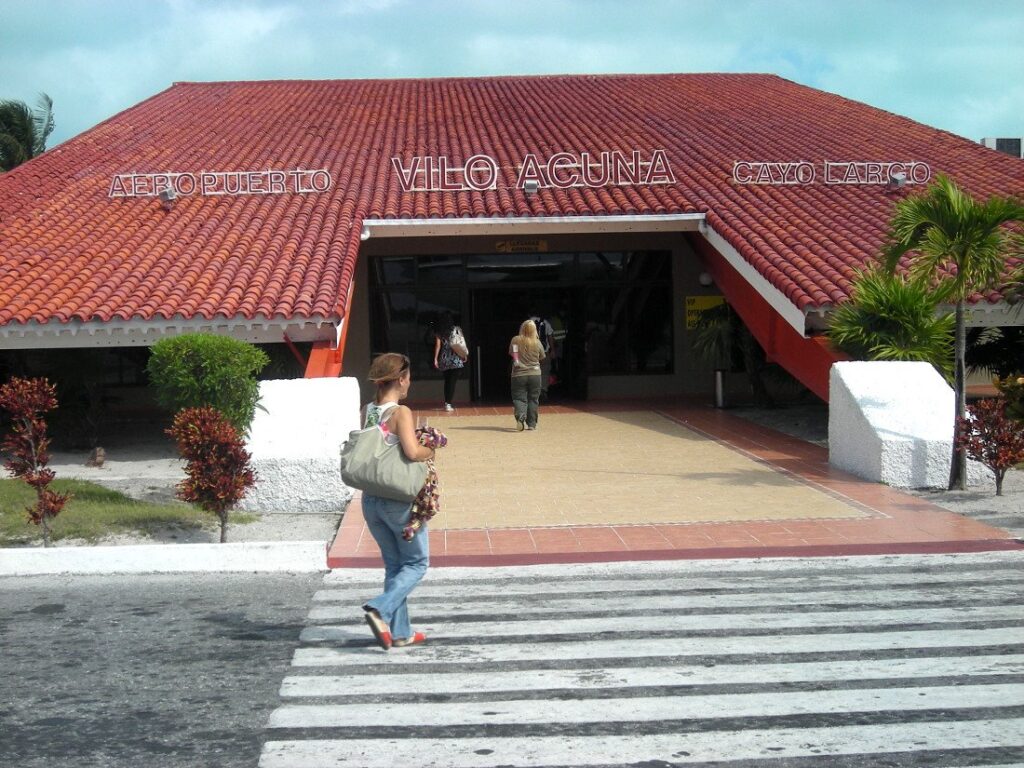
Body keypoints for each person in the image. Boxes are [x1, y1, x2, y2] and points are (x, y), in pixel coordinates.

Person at [360, 352, 435, 651]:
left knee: (395, 565)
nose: (408, 385)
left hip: (370, 502)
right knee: (417, 563)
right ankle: (381, 608)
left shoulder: (366, 410)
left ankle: (401, 632)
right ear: (401, 379)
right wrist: (431, 450)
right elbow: (412, 452)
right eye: (408, 379)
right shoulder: (400, 412)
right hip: (397, 502)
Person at [508, 319, 545, 431]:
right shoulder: (537, 342)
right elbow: (542, 356)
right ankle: (532, 424)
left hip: (518, 374)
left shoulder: (515, 340)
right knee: (533, 399)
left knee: (519, 398)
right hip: (535, 374)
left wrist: (518, 360)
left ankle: (520, 417)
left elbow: (513, 353)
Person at [433, 312, 466, 411]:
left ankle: (447, 403)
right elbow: (461, 343)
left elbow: (438, 346)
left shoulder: (439, 331)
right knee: (452, 382)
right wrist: (463, 354)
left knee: (447, 382)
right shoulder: (456, 329)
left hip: (444, 359)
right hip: (456, 358)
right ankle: (448, 403)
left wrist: (435, 358)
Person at [529, 311, 556, 399]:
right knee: (544, 371)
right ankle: (543, 390)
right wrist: (552, 350)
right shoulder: (545, 322)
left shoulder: (527, 323)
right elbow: (550, 336)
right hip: (544, 351)